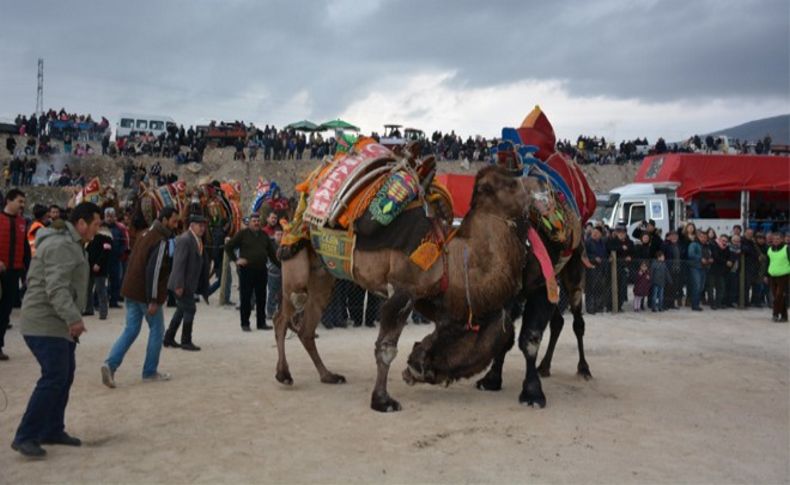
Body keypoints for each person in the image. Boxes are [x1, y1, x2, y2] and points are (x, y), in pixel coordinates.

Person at [11, 202, 101, 458]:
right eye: (95, 224)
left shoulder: (70, 243)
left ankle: (51, 428)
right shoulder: (62, 245)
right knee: (54, 376)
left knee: (64, 374)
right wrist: (74, 319)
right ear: (81, 223)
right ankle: (26, 435)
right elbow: (56, 288)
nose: (97, 229)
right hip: (44, 322)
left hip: (56, 322)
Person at [102, 207, 180, 388]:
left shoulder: (145, 234)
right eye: (174, 221)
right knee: (157, 330)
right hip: (145, 294)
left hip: (131, 290)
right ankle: (150, 371)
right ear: (165, 219)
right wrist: (153, 299)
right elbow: (154, 271)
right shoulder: (160, 240)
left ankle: (110, 364)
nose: (176, 225)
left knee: (130, 330)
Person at [225, 213, 280, 331]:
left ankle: (261, 323)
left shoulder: (264, 235)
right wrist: (236, 260)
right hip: (247, 270)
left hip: (261, 270)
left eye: (258, 221)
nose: (256, 223)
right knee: (246, 297)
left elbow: (272, 254)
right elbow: (229, 247)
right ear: (249, 222)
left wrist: (281, 266)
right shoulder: (242, 234)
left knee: (261, 297)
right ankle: (245, 323)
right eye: (254, 221)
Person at [164, 214, 209, 349]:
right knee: (190, 308)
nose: (202, 229)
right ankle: (186, 340)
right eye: (200, 226)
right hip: (182, 283)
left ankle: (168, 338)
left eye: (204, 226)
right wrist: (179, 284)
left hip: (188, 283)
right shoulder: (185, 239)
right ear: (192, 225)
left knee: (181, 310)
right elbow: (179, 264)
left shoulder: (196, 239)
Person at [0, 189, 30, 361]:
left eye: (23, 202)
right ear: (9, 201)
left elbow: (25, 249)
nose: (22, 205)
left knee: (5, 312)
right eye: (19, 201)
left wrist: (26, 273)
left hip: (13, 273)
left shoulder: (22, 222)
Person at [84, 222, 113, 319]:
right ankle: (88, 309)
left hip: (100, 269)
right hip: (89, 267)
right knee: (88, 289)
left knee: (101, 290)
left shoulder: (106, 238)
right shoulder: (91, 238)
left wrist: (99, 264)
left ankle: (103, 312)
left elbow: (106, 252)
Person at [766, 232, 789, 322]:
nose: (775, 241)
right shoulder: (769, 249)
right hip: (772, 276)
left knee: (778, 296)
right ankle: (784, 316)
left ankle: (775, 314)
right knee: (778, 296)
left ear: (782, 239)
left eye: (778, 239)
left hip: (784, 276)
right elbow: (768, 263)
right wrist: (766, 275)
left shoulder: (787, 249)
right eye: (774, 239)